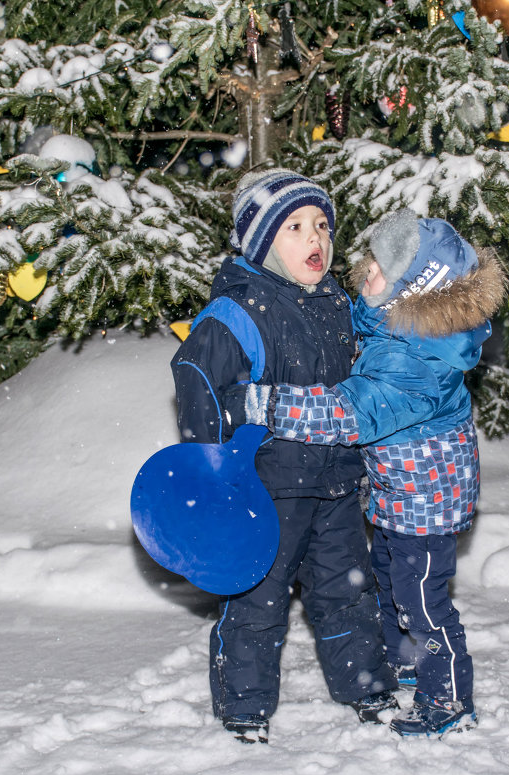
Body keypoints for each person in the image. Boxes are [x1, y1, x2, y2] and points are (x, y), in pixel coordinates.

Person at [228, 209, 507, 736]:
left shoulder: (414, 363)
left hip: (425, 503)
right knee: (390, 583)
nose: (365, 272)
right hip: (400, 496)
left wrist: (265, 404)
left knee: (422, 600)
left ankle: (447, 699)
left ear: (412, 290)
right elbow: (363, 324)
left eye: (379, 267)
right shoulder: (399, 323)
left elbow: (347, 413)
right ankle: (407, 665)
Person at [170, 169, 398, 745]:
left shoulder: (336, 304)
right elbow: (198, 377)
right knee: (256, 597)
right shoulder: (239, 311)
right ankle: (245, 707)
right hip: (266, 490)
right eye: (294, 227)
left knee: (347, 590)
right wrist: (218, 463)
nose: (314, 238)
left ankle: (367, 687)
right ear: (261, 242)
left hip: (336, 483)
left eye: (322, 225)